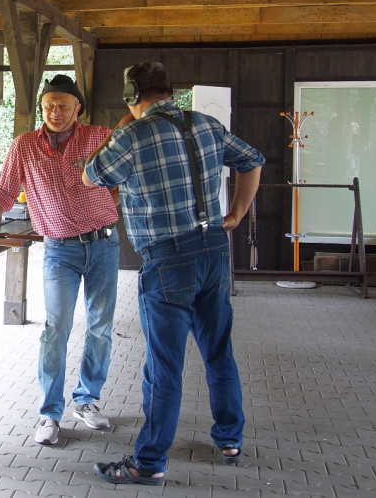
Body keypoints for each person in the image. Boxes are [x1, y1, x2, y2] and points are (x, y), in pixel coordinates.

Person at [82, 61, 264, 486]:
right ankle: (230, 439)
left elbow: (91, 177)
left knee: (165, 366)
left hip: (167, 259)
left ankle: (149, 462)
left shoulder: (131, 133)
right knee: (218, 351)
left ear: (131, 94)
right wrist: (236, 212)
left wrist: (122, 126)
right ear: (170, 91)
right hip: (215, 249)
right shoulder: (207, 124)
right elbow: (253, 160)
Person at [0, 75, 120, 446]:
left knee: (101, 325)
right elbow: (3, 194)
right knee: (56, 328)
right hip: (60, 250)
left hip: (104, 244)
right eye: (49, 105)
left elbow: (123, 175)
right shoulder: (25, 146)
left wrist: (111, 202)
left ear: (78, 108)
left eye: (64, 105)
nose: (56, 112)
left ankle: (86, 399)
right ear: (42, 107)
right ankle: (49, 413)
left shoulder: (99, 136)